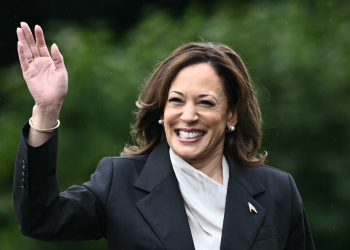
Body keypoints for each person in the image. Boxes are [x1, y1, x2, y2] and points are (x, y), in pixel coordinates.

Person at [13, 22, 315, 250]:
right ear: (161, 110)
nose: (188, 115)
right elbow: (41, 219)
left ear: (232, 115)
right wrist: (46, 111)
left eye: (206, 102)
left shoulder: (277, 191)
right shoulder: (119, 182)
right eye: (176, 100)